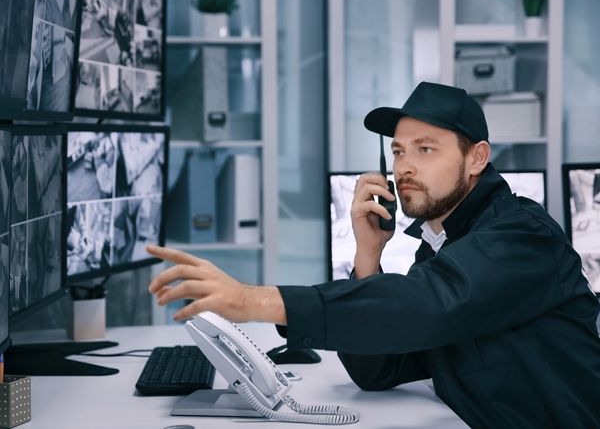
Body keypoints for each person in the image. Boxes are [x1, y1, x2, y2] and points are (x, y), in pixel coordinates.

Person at [147, 82, 600, 428]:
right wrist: (368, 253)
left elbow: (430, 302)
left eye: (425, 150)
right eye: (399, 151)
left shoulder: (521, 235)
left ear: (477, 158)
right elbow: (379, 368)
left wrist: (253, 301)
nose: (404, 166)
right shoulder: (442, 247)